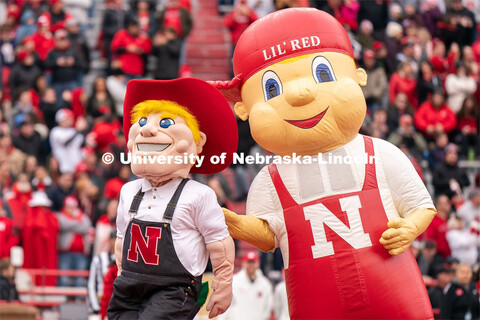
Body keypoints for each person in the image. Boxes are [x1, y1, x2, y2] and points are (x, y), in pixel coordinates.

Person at [215, 8, 436, 319]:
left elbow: (422, 206)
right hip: (317, 301)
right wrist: (235, 223)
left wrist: (410, 228)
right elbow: (269, 237)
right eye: (273, 89)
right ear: (244, 109)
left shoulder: (378, 152)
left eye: (322, 74)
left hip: (392, 293)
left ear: (359, 76)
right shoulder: (271, 178)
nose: (300, 93)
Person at [107, 78, 237, 319]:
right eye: (142, 122)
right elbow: (122, 239)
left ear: (197, 143)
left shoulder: (199, 194)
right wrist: (120, 273)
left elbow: (218, 243)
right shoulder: (128, 191)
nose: (146, 130)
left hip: (176, 289)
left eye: (166, 123)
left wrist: (223, 284)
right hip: (130, 285)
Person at [218, 251, 273, 320]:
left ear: (258, 264)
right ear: (243, 263)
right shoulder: (234, 282)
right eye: (249, 262)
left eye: (253, 262)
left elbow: (268, 308)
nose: (251, 265)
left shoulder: (265, 285)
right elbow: (225, 305)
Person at [57, 195, 92, 287]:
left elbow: (86, 227)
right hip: (65, 252)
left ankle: (79, 301)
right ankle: (62, 300)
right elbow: (63, 224)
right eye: (69, 207)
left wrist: (74, 222)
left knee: (79, 280)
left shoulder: (82, 216)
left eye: (73, 207)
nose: (71, 209)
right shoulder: (60, 216)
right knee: (64, 278)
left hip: (81, 253)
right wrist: (78, 222)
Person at [49, 108, 86, 173]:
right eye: (67, 119)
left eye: (70, 118)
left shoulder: (73, 131)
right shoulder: (56, 131)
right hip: (63, 166)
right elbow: (66, 143)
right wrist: (78, 130)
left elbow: (82, 144)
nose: (69, 121)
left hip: (77, 166)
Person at [88, 231, 116, 315]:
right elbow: (92, 284)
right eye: (115, 239)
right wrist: (96, 307)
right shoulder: (99, 259)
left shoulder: (126, 260)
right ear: (110, 240)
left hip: (118, 306)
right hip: (102, 303)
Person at [425, 194, 452, 259]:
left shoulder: (450, 220)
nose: (449, 205)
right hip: (439, 257)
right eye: (446, 203)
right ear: (438, 206)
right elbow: (429, 240)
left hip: (451, 254)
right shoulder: (432, 221)